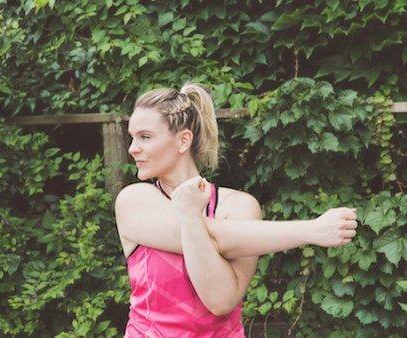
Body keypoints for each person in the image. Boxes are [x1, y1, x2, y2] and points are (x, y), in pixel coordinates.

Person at [114, 82, 359, 337]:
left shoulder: (239, 206)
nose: (132, 148)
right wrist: (311, 230)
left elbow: (220, 300)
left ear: (184, 140)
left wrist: (190, 217)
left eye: (145, 136)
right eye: (132, 137)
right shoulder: (134, 200)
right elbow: (217, 236)